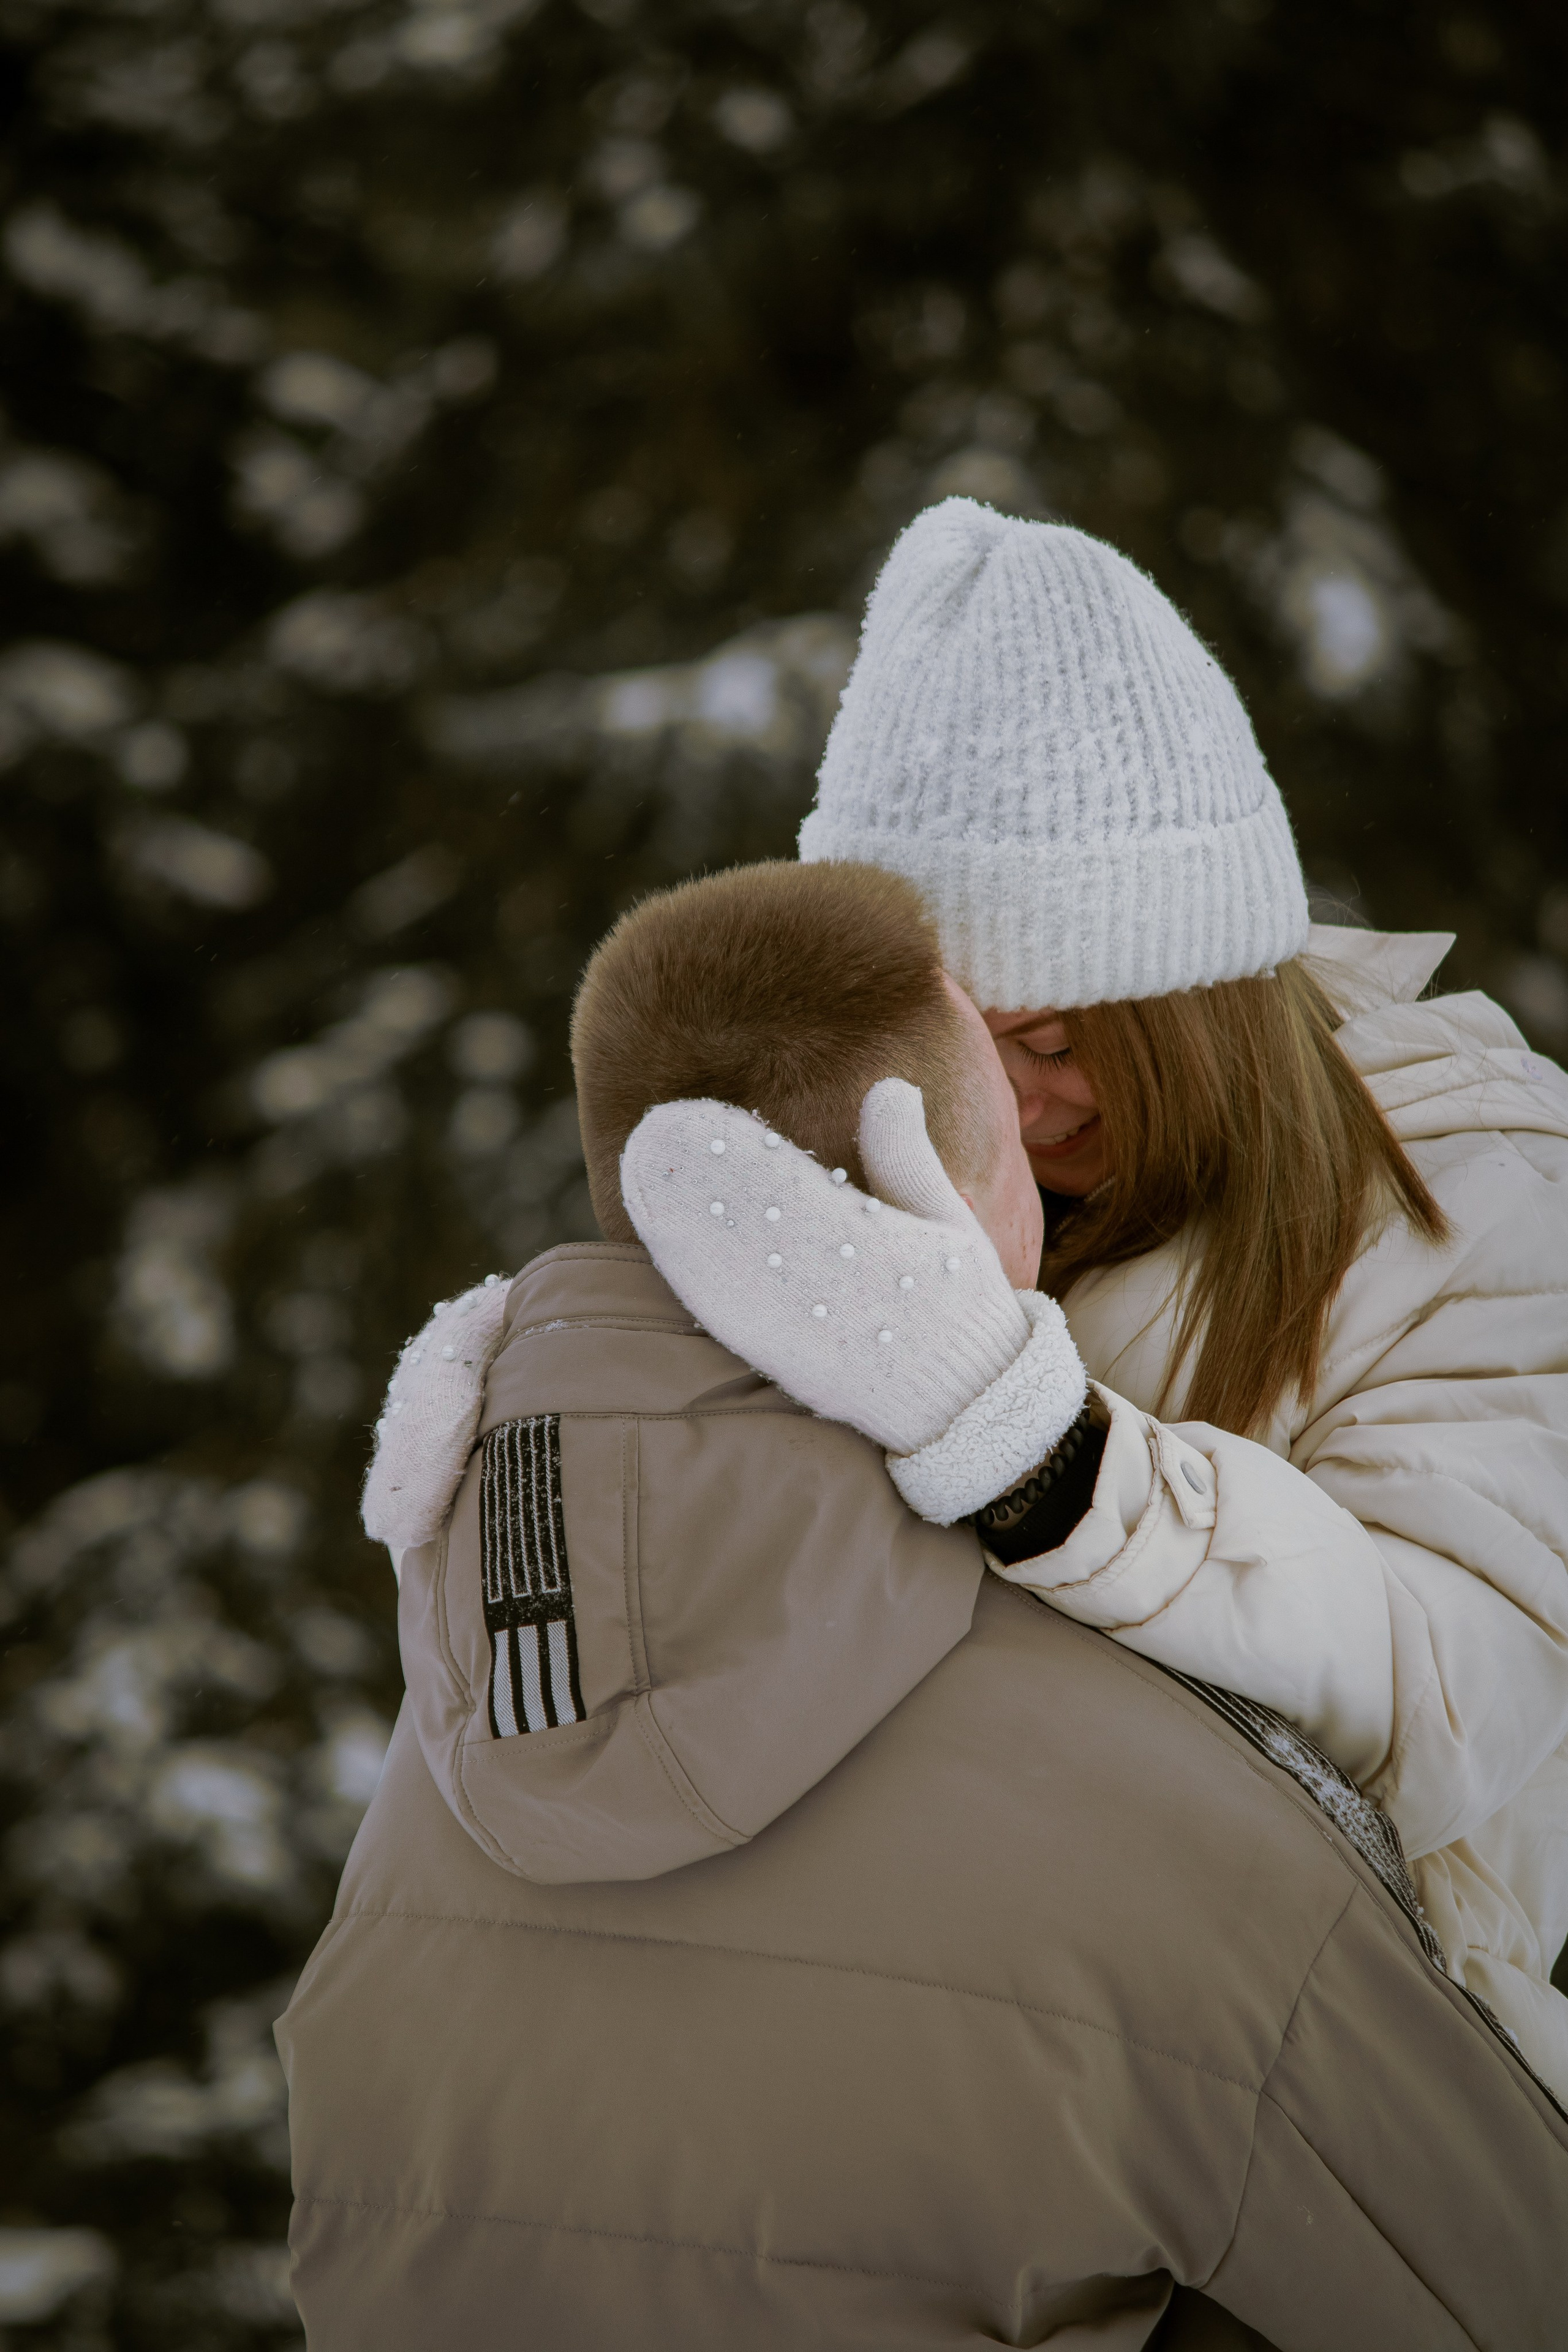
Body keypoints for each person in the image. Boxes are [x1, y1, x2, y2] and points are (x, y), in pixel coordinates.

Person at [278, 861, 1568, 2351]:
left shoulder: (424, 1807)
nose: (1047, 1131)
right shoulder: (1189, 1820)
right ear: (933, 1198)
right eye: (1002, 1086)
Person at [629, 496, 1568, 2102]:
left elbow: (1463, 1687)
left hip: (1348, 2080)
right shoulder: (865, 1173)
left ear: (1201, 1006)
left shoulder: (1483, 1197)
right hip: (936, 2053)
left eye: (1059, 1042)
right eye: (945, 1043)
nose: (1005, 1109)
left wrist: (1045, 1457)